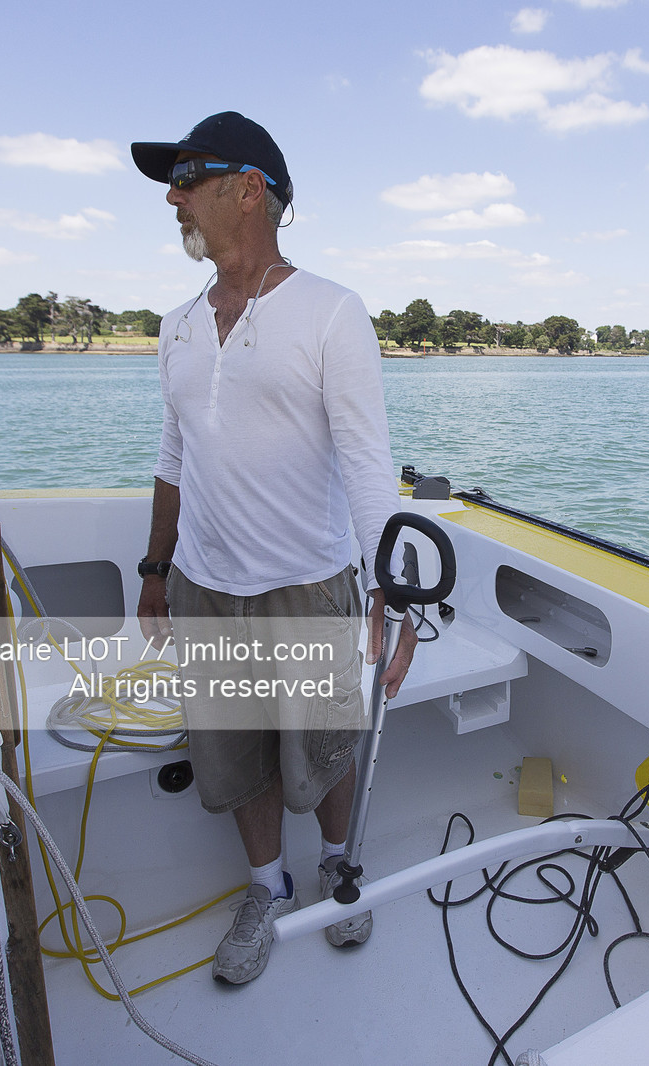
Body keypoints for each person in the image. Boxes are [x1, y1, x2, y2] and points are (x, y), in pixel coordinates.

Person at [131, 112, 416, 985]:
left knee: (324, 747)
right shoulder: (177, 325)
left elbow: (369, 466)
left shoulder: (331, 312)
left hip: (308, 584)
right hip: (203, 586)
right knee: (232, 755)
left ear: (248, 188)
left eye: (188, 178)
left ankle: (337, 865)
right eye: (172, 182)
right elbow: (174, 458)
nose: (174, 198)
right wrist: (154, 571)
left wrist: (393, 598)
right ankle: (266, 885)